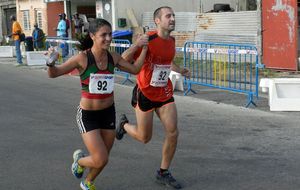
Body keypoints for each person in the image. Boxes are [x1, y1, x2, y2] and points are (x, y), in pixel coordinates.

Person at [46, 18, 148, 190]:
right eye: (103, 35)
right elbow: (54, 73)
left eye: (110, 34)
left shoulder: (113, 57)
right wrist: (50, 62)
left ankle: (87, 182)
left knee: (103, 158)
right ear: (93, 36)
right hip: (88, 115)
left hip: (108, 112)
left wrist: (143, 48)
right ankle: (79, 161)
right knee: (100, 158)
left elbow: (136, 69)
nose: (108, 38)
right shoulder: (82, 58)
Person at [116, 6, 189, 189]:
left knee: (173, 132)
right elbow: (122, 60)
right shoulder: (148, 39)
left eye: (173, 15)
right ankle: (124, 125)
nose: (172, 18)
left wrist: (180, 70)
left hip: (164, 92)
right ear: (158, 20)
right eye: (168, 16)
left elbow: (166, 61)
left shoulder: (171, 40)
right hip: (145, 92)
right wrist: (137, 45)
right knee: (144, 137)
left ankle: (163, 172)